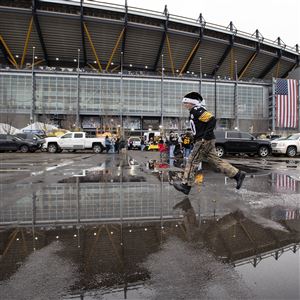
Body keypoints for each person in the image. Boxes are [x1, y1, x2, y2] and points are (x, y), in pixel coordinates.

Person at [173, 91, 246, 195]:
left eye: (186, 103)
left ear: (192, 103)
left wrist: (204, 136)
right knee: (216, 162)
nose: (184, 105)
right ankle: (237, 174)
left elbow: (212, 119)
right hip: (208, 140)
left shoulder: (196, 110)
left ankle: (186, 185)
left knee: (192, 161)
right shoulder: (195, 110)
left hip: (204, 141)